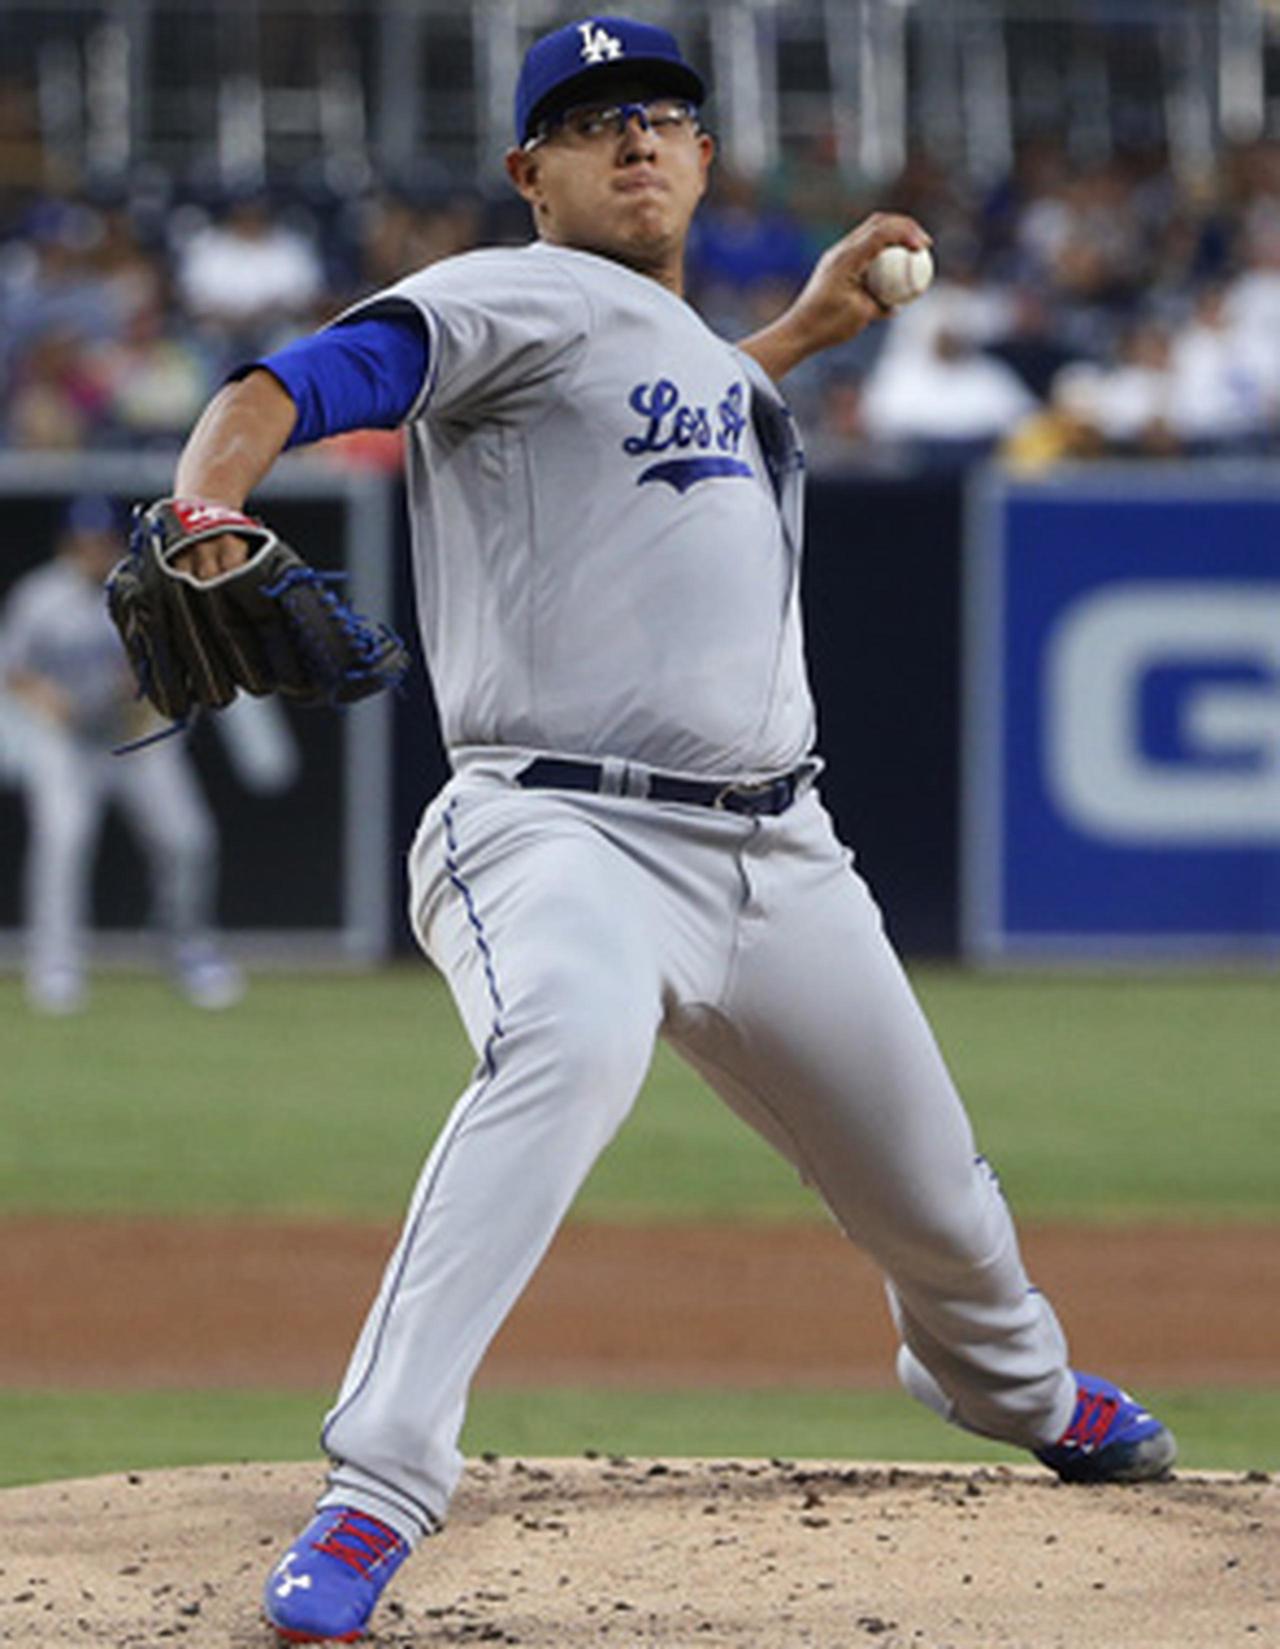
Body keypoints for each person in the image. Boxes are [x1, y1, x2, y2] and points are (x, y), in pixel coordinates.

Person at [165, 19, 1175, 1643]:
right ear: (531, 172)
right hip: (556, 830)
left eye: (658, 114)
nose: (631, 136)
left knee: (941, 1207)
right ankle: (380, 1480)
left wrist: (805, 331)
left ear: (705, 157)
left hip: (784, 858)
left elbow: (665, 405)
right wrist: (210, 499)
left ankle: (1016, 1387)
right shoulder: (507, 295)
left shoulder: (696, 356)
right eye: (588, 120)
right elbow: (294, 381)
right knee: (565, 1043)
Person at [0, 494, 243, 1013]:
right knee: (62, 841)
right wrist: (48, 699)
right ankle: (56, 963)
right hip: (67, 741)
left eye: (102, 542)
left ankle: (188, 949)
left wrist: (146, 692)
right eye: (84, 543)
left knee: (187, 840)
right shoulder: (40, 596)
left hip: (136, 739)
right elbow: (14, 670)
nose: (93, 552)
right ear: (68, 545)